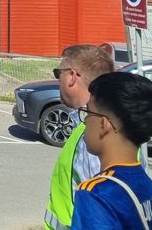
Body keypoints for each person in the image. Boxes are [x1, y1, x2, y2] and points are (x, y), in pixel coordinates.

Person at [71, 72, 152, 229]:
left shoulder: (96, 193)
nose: (86, 121)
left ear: (104, 124)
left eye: (88, 112)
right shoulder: (148, 186)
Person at [45, 44, 116, 230]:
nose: (57, 79)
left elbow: (99, 211)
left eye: (57, 73)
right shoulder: (104, 123)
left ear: (71, 76)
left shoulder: (93, 131)